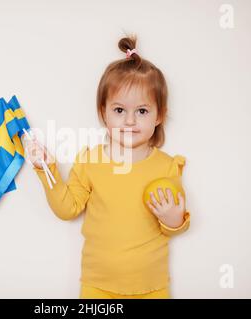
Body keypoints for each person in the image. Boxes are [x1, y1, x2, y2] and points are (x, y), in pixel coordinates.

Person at [24, 35, 191, 299]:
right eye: (119, 110)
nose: (130, 120)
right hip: (98, 288)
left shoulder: (168, 167)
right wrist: (47, 170)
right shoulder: (91, 161)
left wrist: (172, 218)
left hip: (152, 287)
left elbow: (177, 224)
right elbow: (67, 209)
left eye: (143, 111)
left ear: (159, 115)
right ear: (103, 113)